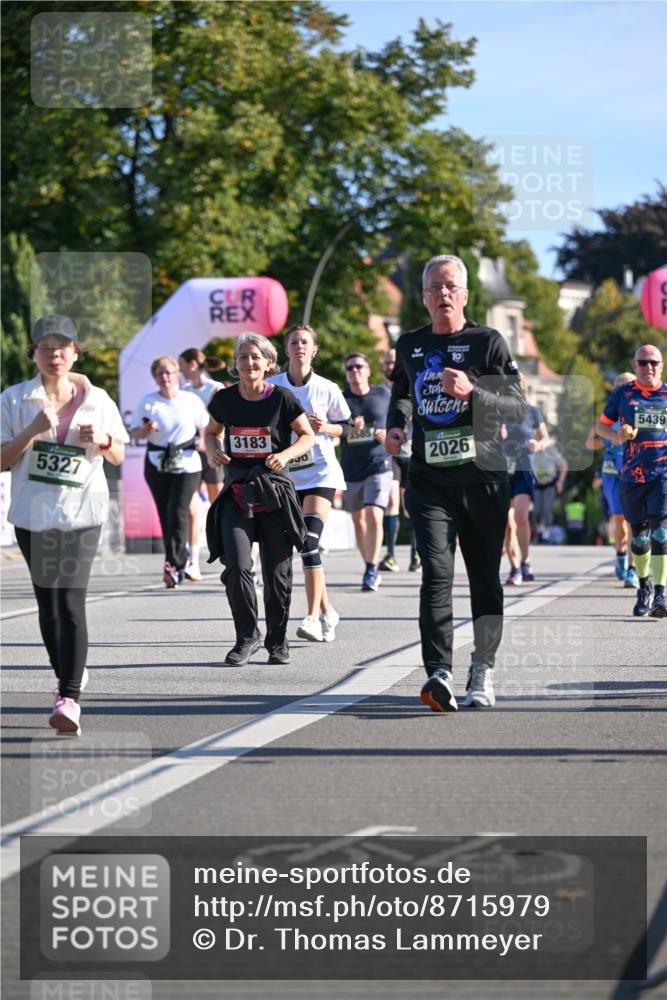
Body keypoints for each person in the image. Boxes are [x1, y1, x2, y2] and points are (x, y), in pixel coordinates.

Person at [385, 254, 526, 712]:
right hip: (429, 482)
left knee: (485, 580)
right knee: (436, 576)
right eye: (434, 288)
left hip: (483, 478)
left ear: (465, 294)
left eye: (451, 287)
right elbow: (402, 393)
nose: (443, 294)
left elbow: (517, 407)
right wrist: (396, 426)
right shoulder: (410, 345)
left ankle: (482, 666)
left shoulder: (488, 342)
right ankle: (439, 672)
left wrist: (473, 392)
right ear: (423, 298)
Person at [0, 314, 128, 735]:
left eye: (62, 347)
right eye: (45, 347)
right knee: (49, 607)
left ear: (75, 353)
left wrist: (103, 441)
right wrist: (32, 433)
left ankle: (69, 697)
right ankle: (68, 671)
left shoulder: (98, 399)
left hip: (82, 514)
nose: (54, 354)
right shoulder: (15, 400)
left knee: (70, 602)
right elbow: (2, 460)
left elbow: (119, 456)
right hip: (34, 516)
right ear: (33, 353)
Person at [204, 333, 315, 665]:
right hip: (238, 491)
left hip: (275, 491)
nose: (249, 363)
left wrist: (286, 455)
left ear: (269, 364)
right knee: (237, 566)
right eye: (242, 357)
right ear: (235, 364)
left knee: (277, 572)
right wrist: (213, 451)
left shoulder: (281, 398)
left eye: (255, 357)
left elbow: (307, 435)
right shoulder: (223, 399)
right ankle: (246, 636)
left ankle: (278, 642)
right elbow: (211, 432)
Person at [270, 324, 350, 642]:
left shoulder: (327, 388)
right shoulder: (273, 387)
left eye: (305, 342)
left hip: (320, 474)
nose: (299, 347)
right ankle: (329, 610)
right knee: (305, 545)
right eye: (294, 342)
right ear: (286, 349)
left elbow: (346, 427)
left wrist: (326, 427)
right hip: (287, 476)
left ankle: (313, 617)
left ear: (314, 349)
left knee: (309, 540)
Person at [594, 345, 667, 618]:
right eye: (643, 362)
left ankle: (660, 594)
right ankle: (644, 586)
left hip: (662, 474)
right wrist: (618, 436)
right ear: (634, 365)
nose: (649, 367)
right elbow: (601, 426)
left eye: (654, 362)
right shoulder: (623, 394)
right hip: (632, 475)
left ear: (661, 365)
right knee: (639, 536)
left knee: (660, 532)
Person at [130, 355, 209, 588]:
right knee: (165, 515)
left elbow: (205, 424)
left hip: (187, 463)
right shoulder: (148, 402)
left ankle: (174, 565)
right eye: (160, 374)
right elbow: (135, 433)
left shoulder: (190, 400)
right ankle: (177, 562)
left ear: (177, 375)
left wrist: (204, 441)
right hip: (157, 462)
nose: (165, 377)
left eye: (169, 373)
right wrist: (145, 430)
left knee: (178, 510)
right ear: (155, 378)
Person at [339, 352, 392, 591]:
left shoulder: (382, 393)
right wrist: (350, 427)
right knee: (358, 520)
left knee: (373, 514)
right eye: (350, 368)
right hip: (351, 467)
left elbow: (399, 418)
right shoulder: (341, 399)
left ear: (369, 370)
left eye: (359, 366)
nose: (355, 371)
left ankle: (371, 569)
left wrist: (387, 433)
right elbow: (333, 428)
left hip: (379, 464)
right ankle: (368, 563)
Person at [585, 372, 638, 588]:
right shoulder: (609, 414)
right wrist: (610, 439)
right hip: (611, 471)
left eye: (630, 386)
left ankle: (633, 570)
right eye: (622, 387)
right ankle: (620, 555)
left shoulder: (639, 410)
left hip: (634, 469)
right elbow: (590, 443)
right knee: (619, 522)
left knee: (635, 520)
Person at [178, 348, 226, 580]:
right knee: (191, 508)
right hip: (190, 456)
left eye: (182, 366)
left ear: (193, 364)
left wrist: (210, 443)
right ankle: (192, 562)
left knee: (221, 505)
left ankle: (230, 552)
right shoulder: (183, 391)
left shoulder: (215, 388)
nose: (180, 371)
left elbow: (221, 423)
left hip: (213, 454)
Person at [503, 373, 549, 585]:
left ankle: (526, 561)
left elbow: (545, 437)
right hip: (501, 470)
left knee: (521, 517)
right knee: (507, 525)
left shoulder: (532, 412)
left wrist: (538, 445)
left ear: (524, 389)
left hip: (523, 469)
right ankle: (514, 568)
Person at [378, 348, 420, 573]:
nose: (390, 366)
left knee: (410, 506)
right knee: (392, 500)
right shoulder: (379, 392)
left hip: (412, 453)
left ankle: (416, 554)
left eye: (394, 361)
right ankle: (391, 555)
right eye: (386, 362)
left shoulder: (412, 386)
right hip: (390, 455)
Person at [532, 440, 568, 544]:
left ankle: (546, 535)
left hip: (549, 484)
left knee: (547, 508)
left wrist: (560, 481)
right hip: (536, 484)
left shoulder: (550, 451)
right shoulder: (532, 452)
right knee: (537, 510)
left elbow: (564, 465)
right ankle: (539, 532)